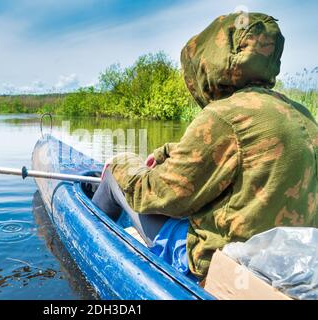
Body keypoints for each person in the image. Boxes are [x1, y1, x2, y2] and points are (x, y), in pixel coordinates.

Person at [92, 12, 318, 281]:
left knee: (116, 177)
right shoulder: (301, 113)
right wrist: (166, 153)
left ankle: (91, 238)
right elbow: (243, 157)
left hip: (221, 266)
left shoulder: (224, 115)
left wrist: (122, 164)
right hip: (284, 266)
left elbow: (157, 195)